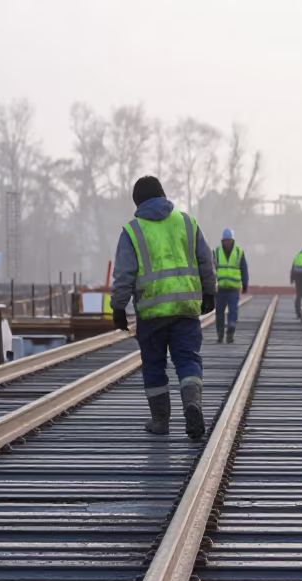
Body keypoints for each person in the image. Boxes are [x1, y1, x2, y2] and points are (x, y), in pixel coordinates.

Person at [110, 175, 216, 438]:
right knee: (188, 360)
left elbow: (124, 274)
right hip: (185, 310)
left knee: (154, 365)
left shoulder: (133, 231)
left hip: (152, 313)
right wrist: (210, 292)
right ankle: (192, 403)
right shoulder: (187, 223)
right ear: (163, 195)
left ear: (137, 202)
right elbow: (205, 260)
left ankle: (161, 421)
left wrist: (118, 308)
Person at [214, 228, 249, 343]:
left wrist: (245, 284)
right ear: (222, 240)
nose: (227, 242)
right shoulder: (217, 252)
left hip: (233, 288)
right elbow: (211, 269)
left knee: (233, 310)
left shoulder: (239, 252)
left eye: (229, 240)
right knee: (219, 312)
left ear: (232, 240)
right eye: (226, 240)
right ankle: (220, 334)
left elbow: (244, 269)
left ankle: (230, 332)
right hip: (220, 288)